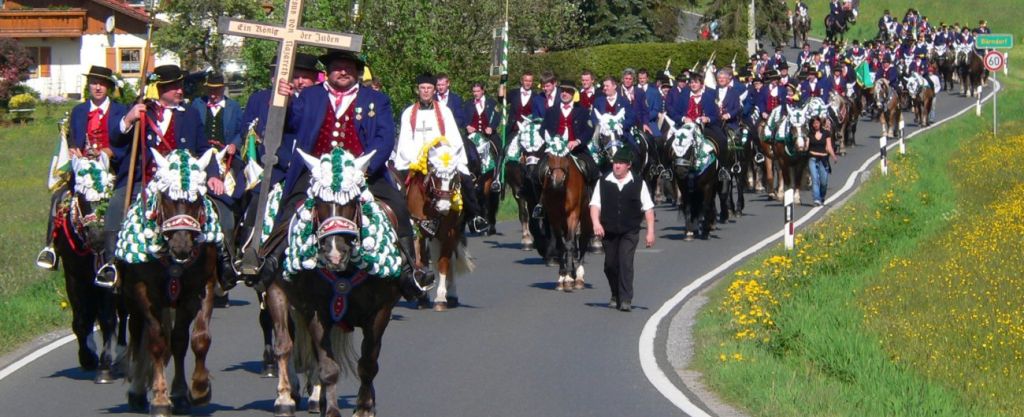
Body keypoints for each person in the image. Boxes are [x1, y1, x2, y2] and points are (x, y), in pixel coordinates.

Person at [272, 50, 431, 300]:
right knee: (290, 206)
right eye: (337, 67)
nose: (343, 72)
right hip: (317, 173)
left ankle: (410, 270)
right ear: (328, 71)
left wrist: (365, 169)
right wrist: (285, 100)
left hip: (363, 173)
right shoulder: (310, 96)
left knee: (398, 206)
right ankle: (269, 259)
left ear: (357, 73)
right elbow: (291, 123)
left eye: (349, 67)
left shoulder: (376, 100)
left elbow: (384, 137)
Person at [97, 64, 224, 287]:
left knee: (215, 212)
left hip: (182, 185)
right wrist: (129, 119)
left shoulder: (191, 114)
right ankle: (112, 265)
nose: (180, 90)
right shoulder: (141, 110)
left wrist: (213, 174)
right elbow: (116, 139)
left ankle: (222, 267)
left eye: (181, 85)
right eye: (174, 86)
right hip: (144, 180)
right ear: (160, 88)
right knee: (116, 209)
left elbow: (204, 149)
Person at [36, 66, 127, 270]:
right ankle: (50, 248)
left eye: (102, 84)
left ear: (109, 88)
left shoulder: (122, 111)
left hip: (111, 171)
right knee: (58, 198)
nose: (97, 87)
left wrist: (109, 152)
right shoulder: (78, 111)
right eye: (94, 83)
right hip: (82, 170)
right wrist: (74, 150)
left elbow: (126, 142)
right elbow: (72, 138)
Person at [395, 73, 490, 234]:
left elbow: (453, 136)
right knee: (397, 186)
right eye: (422, 88)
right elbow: (405, 139)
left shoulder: (444, 111)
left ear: (434, 91)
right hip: (416, 160)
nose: (425, 91)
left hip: (441, 159)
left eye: (429, 88)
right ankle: (402, 221)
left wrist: (448, 157)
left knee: (465, 178)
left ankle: (475, 215)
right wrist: (416, 159)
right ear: (418, 90)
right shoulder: (408, 113)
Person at [589, 147, 655, 312]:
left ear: (628, 166)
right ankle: (615, 293)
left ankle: (626, 299)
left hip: (629, 230)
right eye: (615, 163)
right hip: (608, 230)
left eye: (621, 163)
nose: (617, 166)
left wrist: (650, 231)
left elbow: (648, 209)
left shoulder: (639, 183)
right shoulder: (603, 181)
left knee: (625, 262)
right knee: (610, 265)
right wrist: (596, 223)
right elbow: (595, 205)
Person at [807, 117, 837, 206]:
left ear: (820, 123)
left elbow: (829, 147)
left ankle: (822, 196)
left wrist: (833, 156)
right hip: (812, 158)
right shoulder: (810, 134)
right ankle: (816, 198)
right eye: (814, 123)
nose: (816, 125)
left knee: (824, 182)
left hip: (823, 159)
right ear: (812, 125)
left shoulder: (826, 133)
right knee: (815, 179)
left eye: (817, 123)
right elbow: (806, 146)